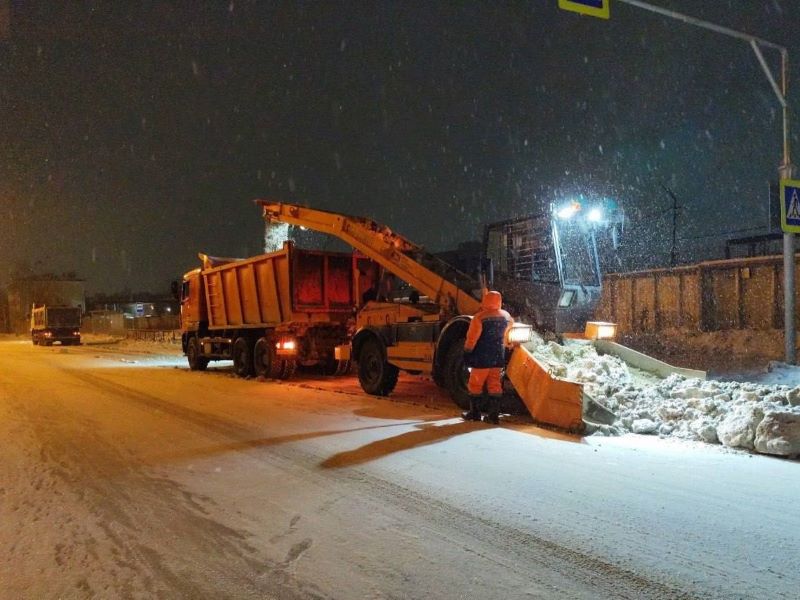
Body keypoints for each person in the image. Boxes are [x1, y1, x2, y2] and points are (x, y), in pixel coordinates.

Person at [461, 290, 513, 424]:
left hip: (482, 357)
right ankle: (493, 416)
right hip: (498, 357)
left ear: (485, 301)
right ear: (499, 301)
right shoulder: (507, 317)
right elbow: (509, 337)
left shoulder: (479, 318)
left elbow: (472, 338)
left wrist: (467, 351)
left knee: (475, 384)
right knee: (495, 384)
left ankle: (475, 413)